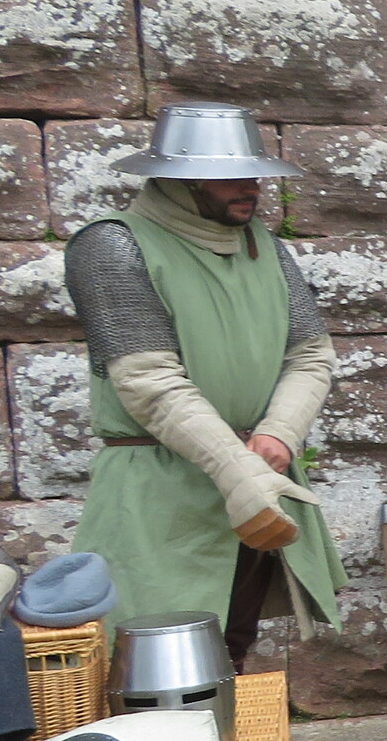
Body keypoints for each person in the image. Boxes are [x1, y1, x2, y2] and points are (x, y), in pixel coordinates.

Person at [66, 104, 344, 667]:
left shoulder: (263, 245)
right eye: (230, 175)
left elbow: (311, 354)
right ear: (180, 179)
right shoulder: (113, 246)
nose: (251, 187)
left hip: (260, 472)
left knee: (231, 649)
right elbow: (149, 382)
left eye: (254, 173)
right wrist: (237, 468)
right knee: (152, 661)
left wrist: (279, 433)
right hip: (162, 490)